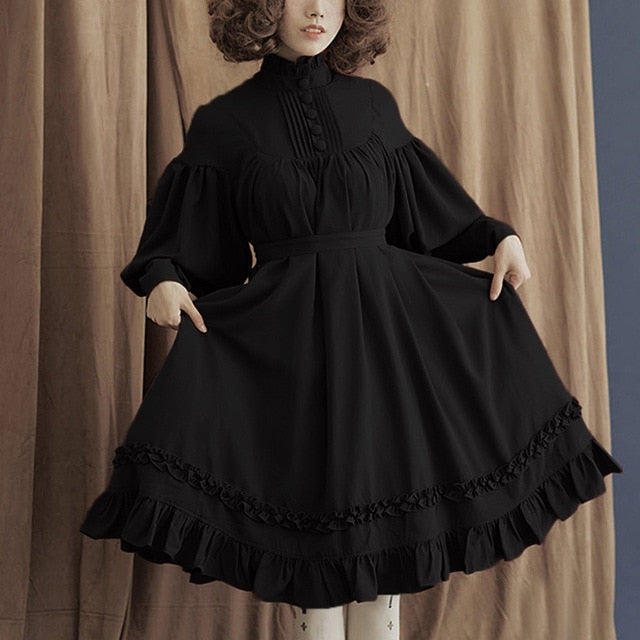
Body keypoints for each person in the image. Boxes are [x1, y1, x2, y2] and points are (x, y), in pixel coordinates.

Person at [79, 1, 623, 639]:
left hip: (385, 344)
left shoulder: (373, 107)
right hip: (289, 355)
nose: (317, 10)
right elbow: (197, 244)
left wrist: (496, 237)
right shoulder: (223, 124)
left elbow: (427, 211)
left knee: (383, 548)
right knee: (316, 549)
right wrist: (164, 277)